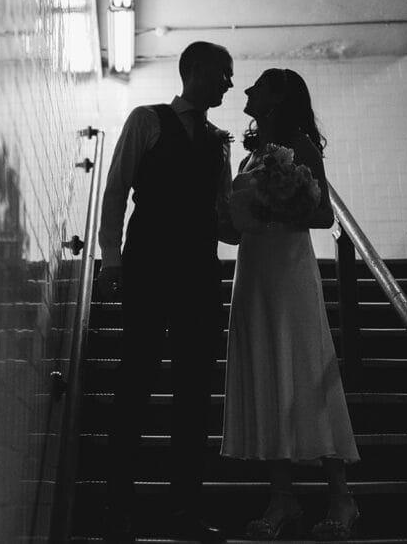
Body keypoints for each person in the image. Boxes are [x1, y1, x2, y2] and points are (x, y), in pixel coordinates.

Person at [97, 41, 236, 542]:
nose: (229, 83)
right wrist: (110, 257)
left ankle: (185, 510)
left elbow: (224, 220)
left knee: (194, 392)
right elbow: (117, 188)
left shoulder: (221, 142)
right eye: (223, 72)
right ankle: (117, 505)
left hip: (200, 273)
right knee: (135, 381)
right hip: (149, 265)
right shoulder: (146, 119)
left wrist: (262, 208)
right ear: (193, 69)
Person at [220, 68, 360, 541]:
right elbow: (235, 226)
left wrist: (275, 206)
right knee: (266, 372)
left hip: (289, 273)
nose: (247, 90)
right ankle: (282, 496)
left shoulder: (300, 147)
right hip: (253, 273)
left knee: (303, 369)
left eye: (258, 85)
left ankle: (341, 496)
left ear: (278, 98)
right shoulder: (249, 155)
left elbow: (323, 214)